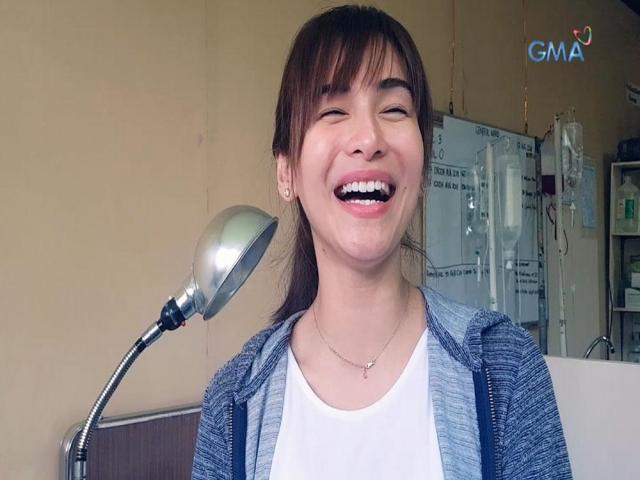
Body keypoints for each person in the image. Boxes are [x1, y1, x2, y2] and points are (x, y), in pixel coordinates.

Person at [192, 5, 572, 480]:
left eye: (394, 109)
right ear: (286, 172)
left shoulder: (505, 369)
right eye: (333, 110)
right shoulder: (234, 402)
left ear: (423, 163)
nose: (368, 138)